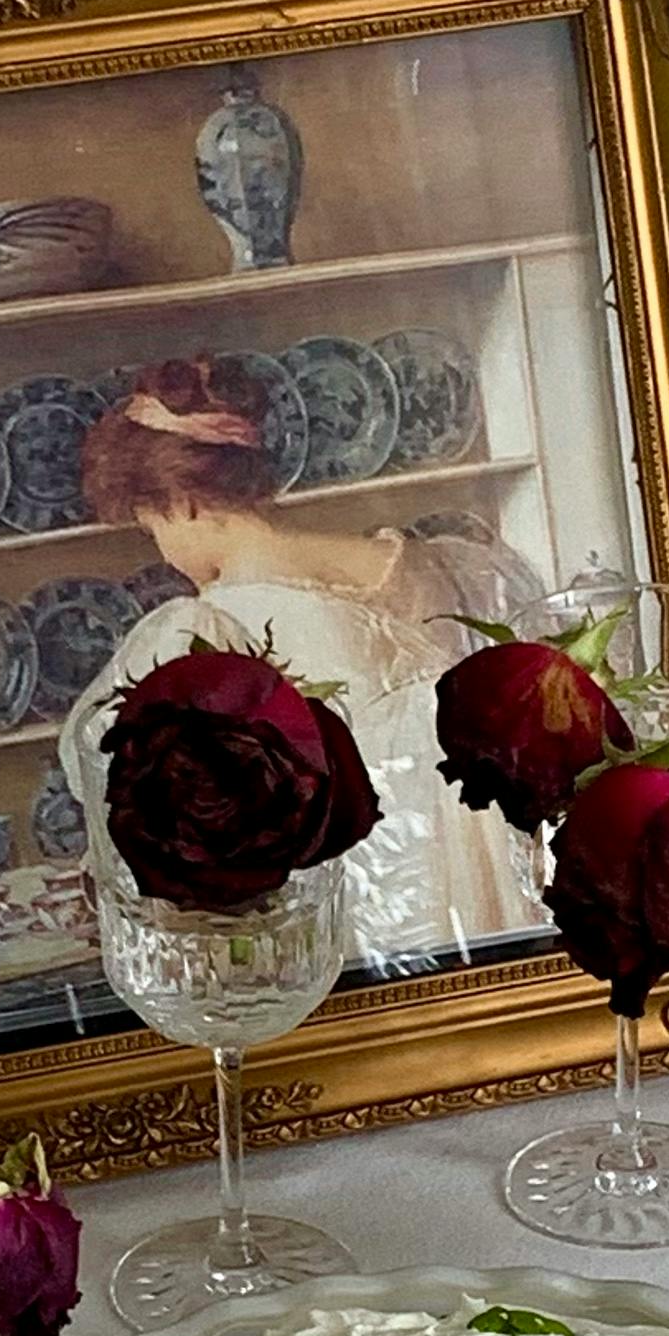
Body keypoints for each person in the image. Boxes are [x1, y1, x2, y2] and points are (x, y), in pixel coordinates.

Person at [63, 359, 530, 961]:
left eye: (153, 530)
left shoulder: (209, 629)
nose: (166, 553)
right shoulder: (441, 563)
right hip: (499, 868)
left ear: (184, 504)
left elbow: (110, 771)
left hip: (368, 903)